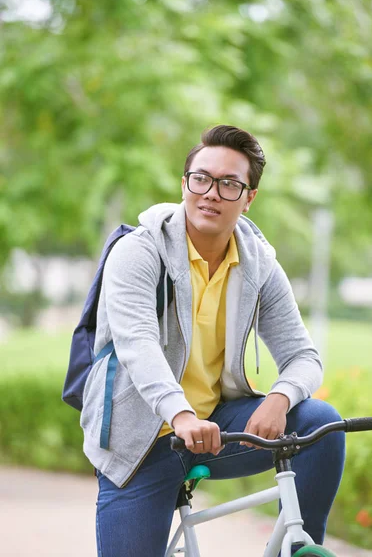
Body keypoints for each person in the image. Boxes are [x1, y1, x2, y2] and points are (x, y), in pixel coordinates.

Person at [80, 125, 345, 556]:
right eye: (201, 179)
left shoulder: (259, 265)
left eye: (229, 184)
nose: (211, 194)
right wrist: (180, 415)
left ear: (249, 196)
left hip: (219, 430)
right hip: (143, 443)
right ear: (184, 184)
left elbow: (303, 355)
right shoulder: (138, 252)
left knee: (319, 424)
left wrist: (279, 399)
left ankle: (299, 550)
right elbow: (137, 345)